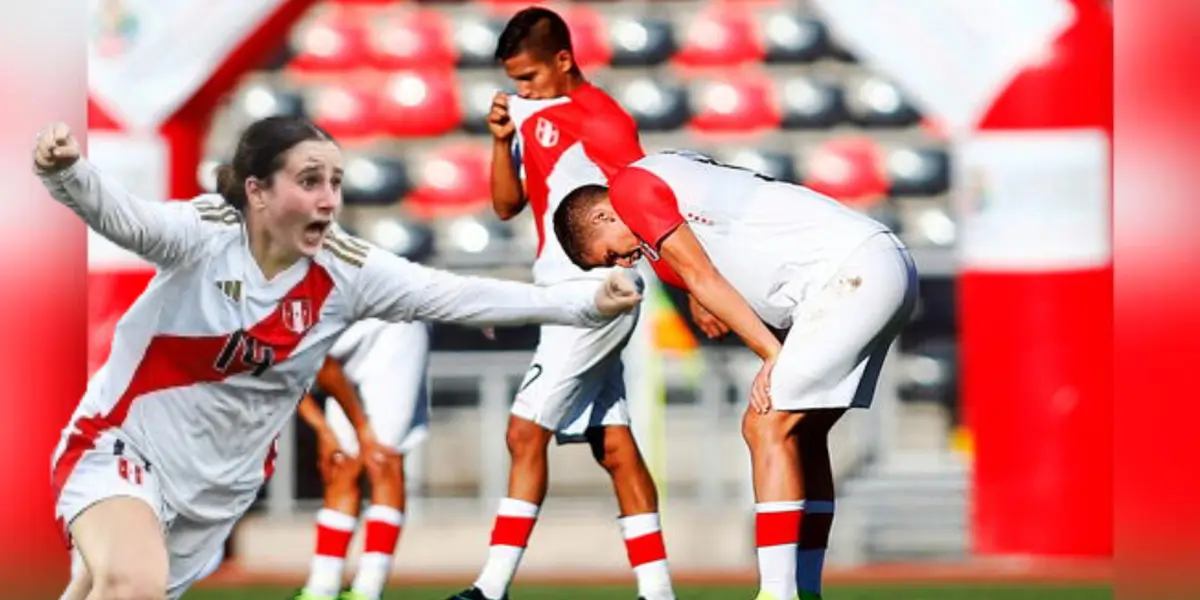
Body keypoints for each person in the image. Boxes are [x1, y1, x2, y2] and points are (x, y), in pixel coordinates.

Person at [39, 115, 642, 600]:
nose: (329, 199)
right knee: (130, 586)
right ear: (256, 190)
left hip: (217, 491)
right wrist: (68, 173)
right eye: (309, 180)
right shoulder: (203, 235)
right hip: (122, 447)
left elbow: (454, 295)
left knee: (100, 586)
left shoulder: (348, 270)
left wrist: (586, 300)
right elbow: (128, 219)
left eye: (335, 181)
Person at [552, 150, 919, 600]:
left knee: (765, 422)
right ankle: (804, 589)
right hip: (876, 262)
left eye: (610, 254)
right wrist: (694, 294)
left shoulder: (629, 187)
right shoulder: (663, 180)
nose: (623, 264)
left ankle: (777, 593)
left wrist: (770, 354)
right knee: (803, 434)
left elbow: (701, 272)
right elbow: (706, 228)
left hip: (848, 272)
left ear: (605, 213)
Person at [445, 8, 676, 600]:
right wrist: (501, 141)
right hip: (562, 291)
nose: (520, 89)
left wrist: (691, 287)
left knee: (525, 433)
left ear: (564, 61)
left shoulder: (604, 119)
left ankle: (490, 588)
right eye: (515, 79)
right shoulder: (531, 114)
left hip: (595, 291)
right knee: (615, 446)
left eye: (529, 77)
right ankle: (658, 594)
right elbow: (504, 205)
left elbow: (649, 204)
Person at [294, 316, 430, 600]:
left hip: (391, 323)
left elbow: (322, 366)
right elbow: (280, 383)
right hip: (335, 338)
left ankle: (369, 589)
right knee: (341, 464)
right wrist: (323, 431)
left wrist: (362, 430)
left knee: (382, 459)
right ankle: (322, 588)